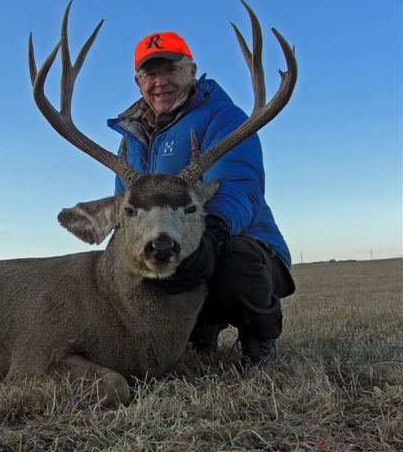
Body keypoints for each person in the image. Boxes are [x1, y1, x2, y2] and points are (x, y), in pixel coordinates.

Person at [108, 31, 295, 364]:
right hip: (167, 246)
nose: (160, 82)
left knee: (235, 265)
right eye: (151, 73)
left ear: (192, 72)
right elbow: (125, 207)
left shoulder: (224, 117)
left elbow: (240, 187)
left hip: (237, 241)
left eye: (171, 70)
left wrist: (212, 231)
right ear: (139, 83)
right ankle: (198, 331)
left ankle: (260, 336)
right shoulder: (131, 140)